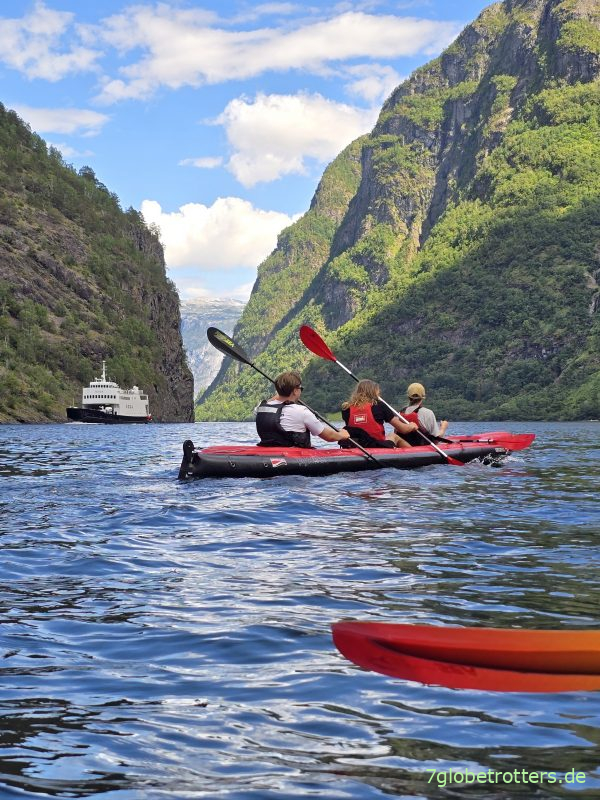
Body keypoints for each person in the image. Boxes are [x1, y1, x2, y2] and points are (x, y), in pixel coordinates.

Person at [256, 371, 350, 448]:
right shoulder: (301, 411)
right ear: (295, 391)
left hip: (267, 453)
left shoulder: (261, 408)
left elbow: (270, 402)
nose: (301, 390)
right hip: (292, 457)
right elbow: (329, 436)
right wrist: (342, 435)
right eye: (301, 388)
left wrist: (282, 392)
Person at [340, 379, 418, 448]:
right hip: (378, 446)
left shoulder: (346, 408)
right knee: (393, 436)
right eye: (378, 392)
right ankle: (414, 456)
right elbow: (403, 429)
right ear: (373, 393)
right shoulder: (379, 405)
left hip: (357, 446)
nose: (379, 394)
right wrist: (411, 426)